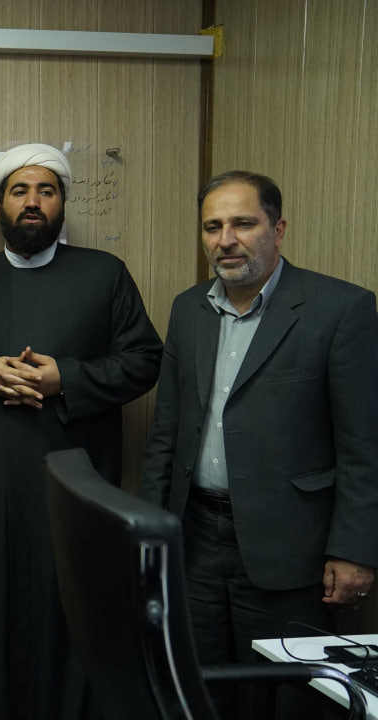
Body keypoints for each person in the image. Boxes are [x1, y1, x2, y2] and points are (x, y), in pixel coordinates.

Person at [0, 143, 162, 719]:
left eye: (46, 191)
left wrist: (64, 378)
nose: (32, 202)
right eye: (19, 191)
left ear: (62, 203)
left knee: (77, 604)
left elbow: (145, 360)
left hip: (80, 481)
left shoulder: (106, 275)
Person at [140, 171, 378, 719]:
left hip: (291, 547)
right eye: (213, 226)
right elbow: (166, 435)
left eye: (243, 224)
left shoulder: (339, 309)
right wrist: (150, 541)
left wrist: (355, 550)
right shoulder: (188, 309)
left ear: (278, 229)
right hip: (194, 542)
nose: (226, 240)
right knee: (201, 690)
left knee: (287, 700)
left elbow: (364, 444)